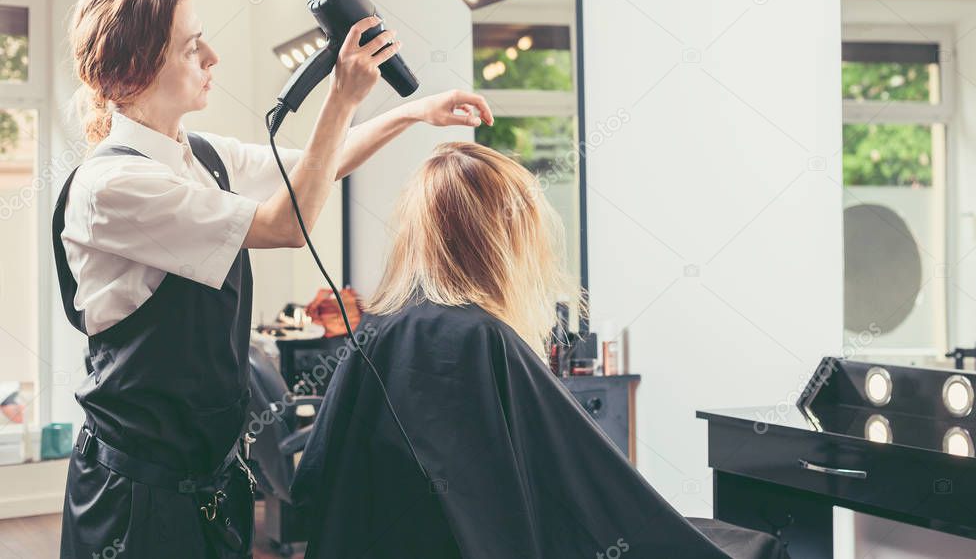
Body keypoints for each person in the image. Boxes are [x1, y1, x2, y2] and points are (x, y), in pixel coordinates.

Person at [53, 0, 493, 559]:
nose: (212, 57)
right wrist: (340, 96)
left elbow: (318, 163)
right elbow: (287, 225)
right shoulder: (114, 186)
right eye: (191, 47)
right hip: (135, 499)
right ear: (136, 68)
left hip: (212, 484)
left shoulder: (201, 156)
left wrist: (412, 113)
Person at [291, 142, 788, 559]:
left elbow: (312, 483)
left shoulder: (375, 331)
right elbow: (588, 497)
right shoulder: (482, 339)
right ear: (503, 237)